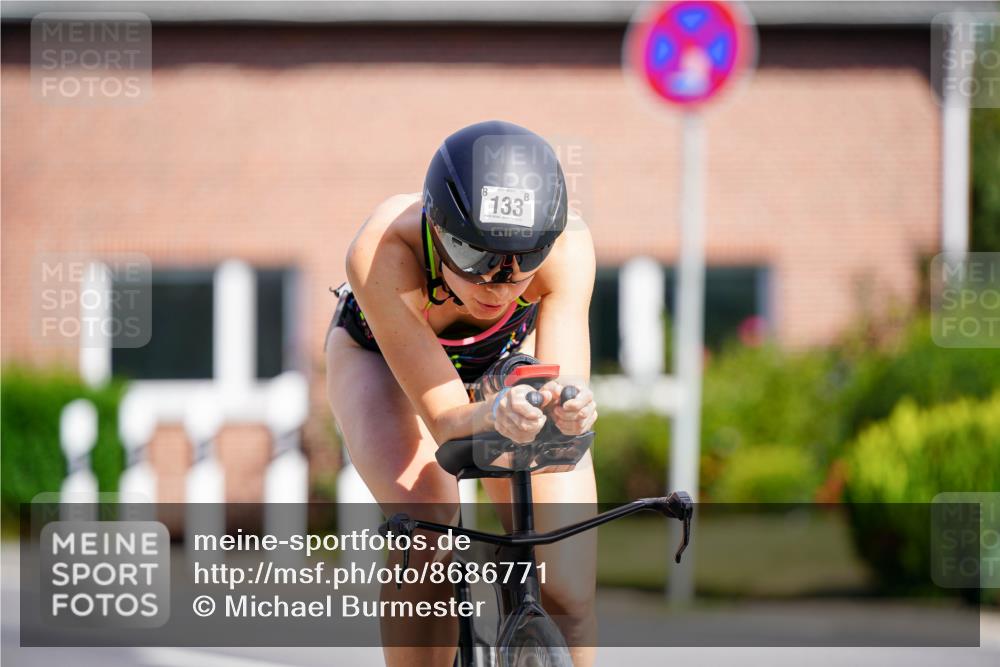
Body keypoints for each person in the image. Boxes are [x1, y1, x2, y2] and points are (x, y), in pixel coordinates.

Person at [325, 120, 598, 667]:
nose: (497, 285)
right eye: (475, 259)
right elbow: (448, 419)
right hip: (383, 359)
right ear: (435, 228)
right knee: (428, 525)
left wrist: (570, 408)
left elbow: (565, 386)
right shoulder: (382, 250)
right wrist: (489, 412)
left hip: (501, 361)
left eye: (524, 262)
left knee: (566, 582)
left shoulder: (569, 246)